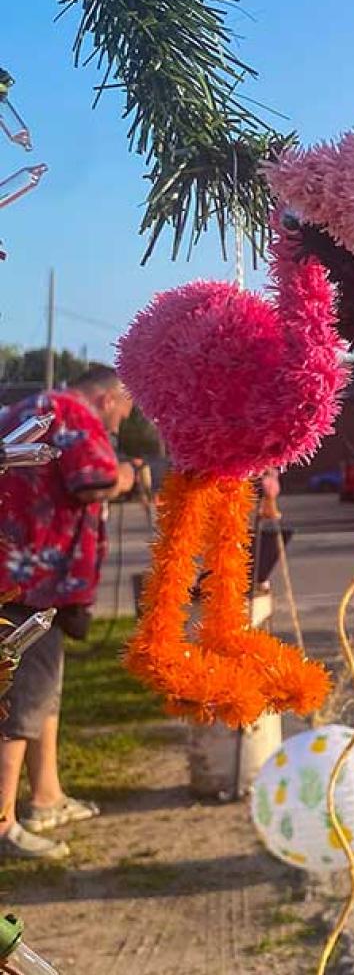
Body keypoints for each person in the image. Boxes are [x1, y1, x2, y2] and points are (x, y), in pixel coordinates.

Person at [0, 366, 135, 860]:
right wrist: (127, 475)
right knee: (21, 699)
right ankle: (3, 824)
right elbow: (93, 481)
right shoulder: (73, 411)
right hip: (34, 580)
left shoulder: (25, 409)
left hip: (21, 572)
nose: (122, 421)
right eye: (124, 410)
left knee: (43, 692)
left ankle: (47, 795)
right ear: (108, 397)